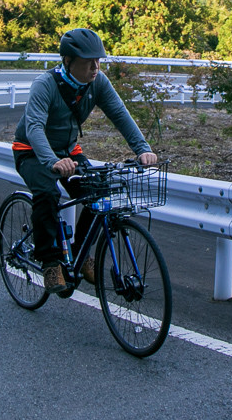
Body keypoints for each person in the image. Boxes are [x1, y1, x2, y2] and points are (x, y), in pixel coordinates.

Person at [12, 28, 157, 294]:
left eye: (98, 60)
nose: (95, 67)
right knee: (46, 193)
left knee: (97, 193)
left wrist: (142, 149)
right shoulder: (45, 85)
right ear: (67, 61)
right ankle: (51, 262)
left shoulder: (97, 82)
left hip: (68, 150)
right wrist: (51, 161)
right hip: (31, 150)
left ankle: (81, 254)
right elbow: (33, 127)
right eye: (88, 61)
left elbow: (120, 114)